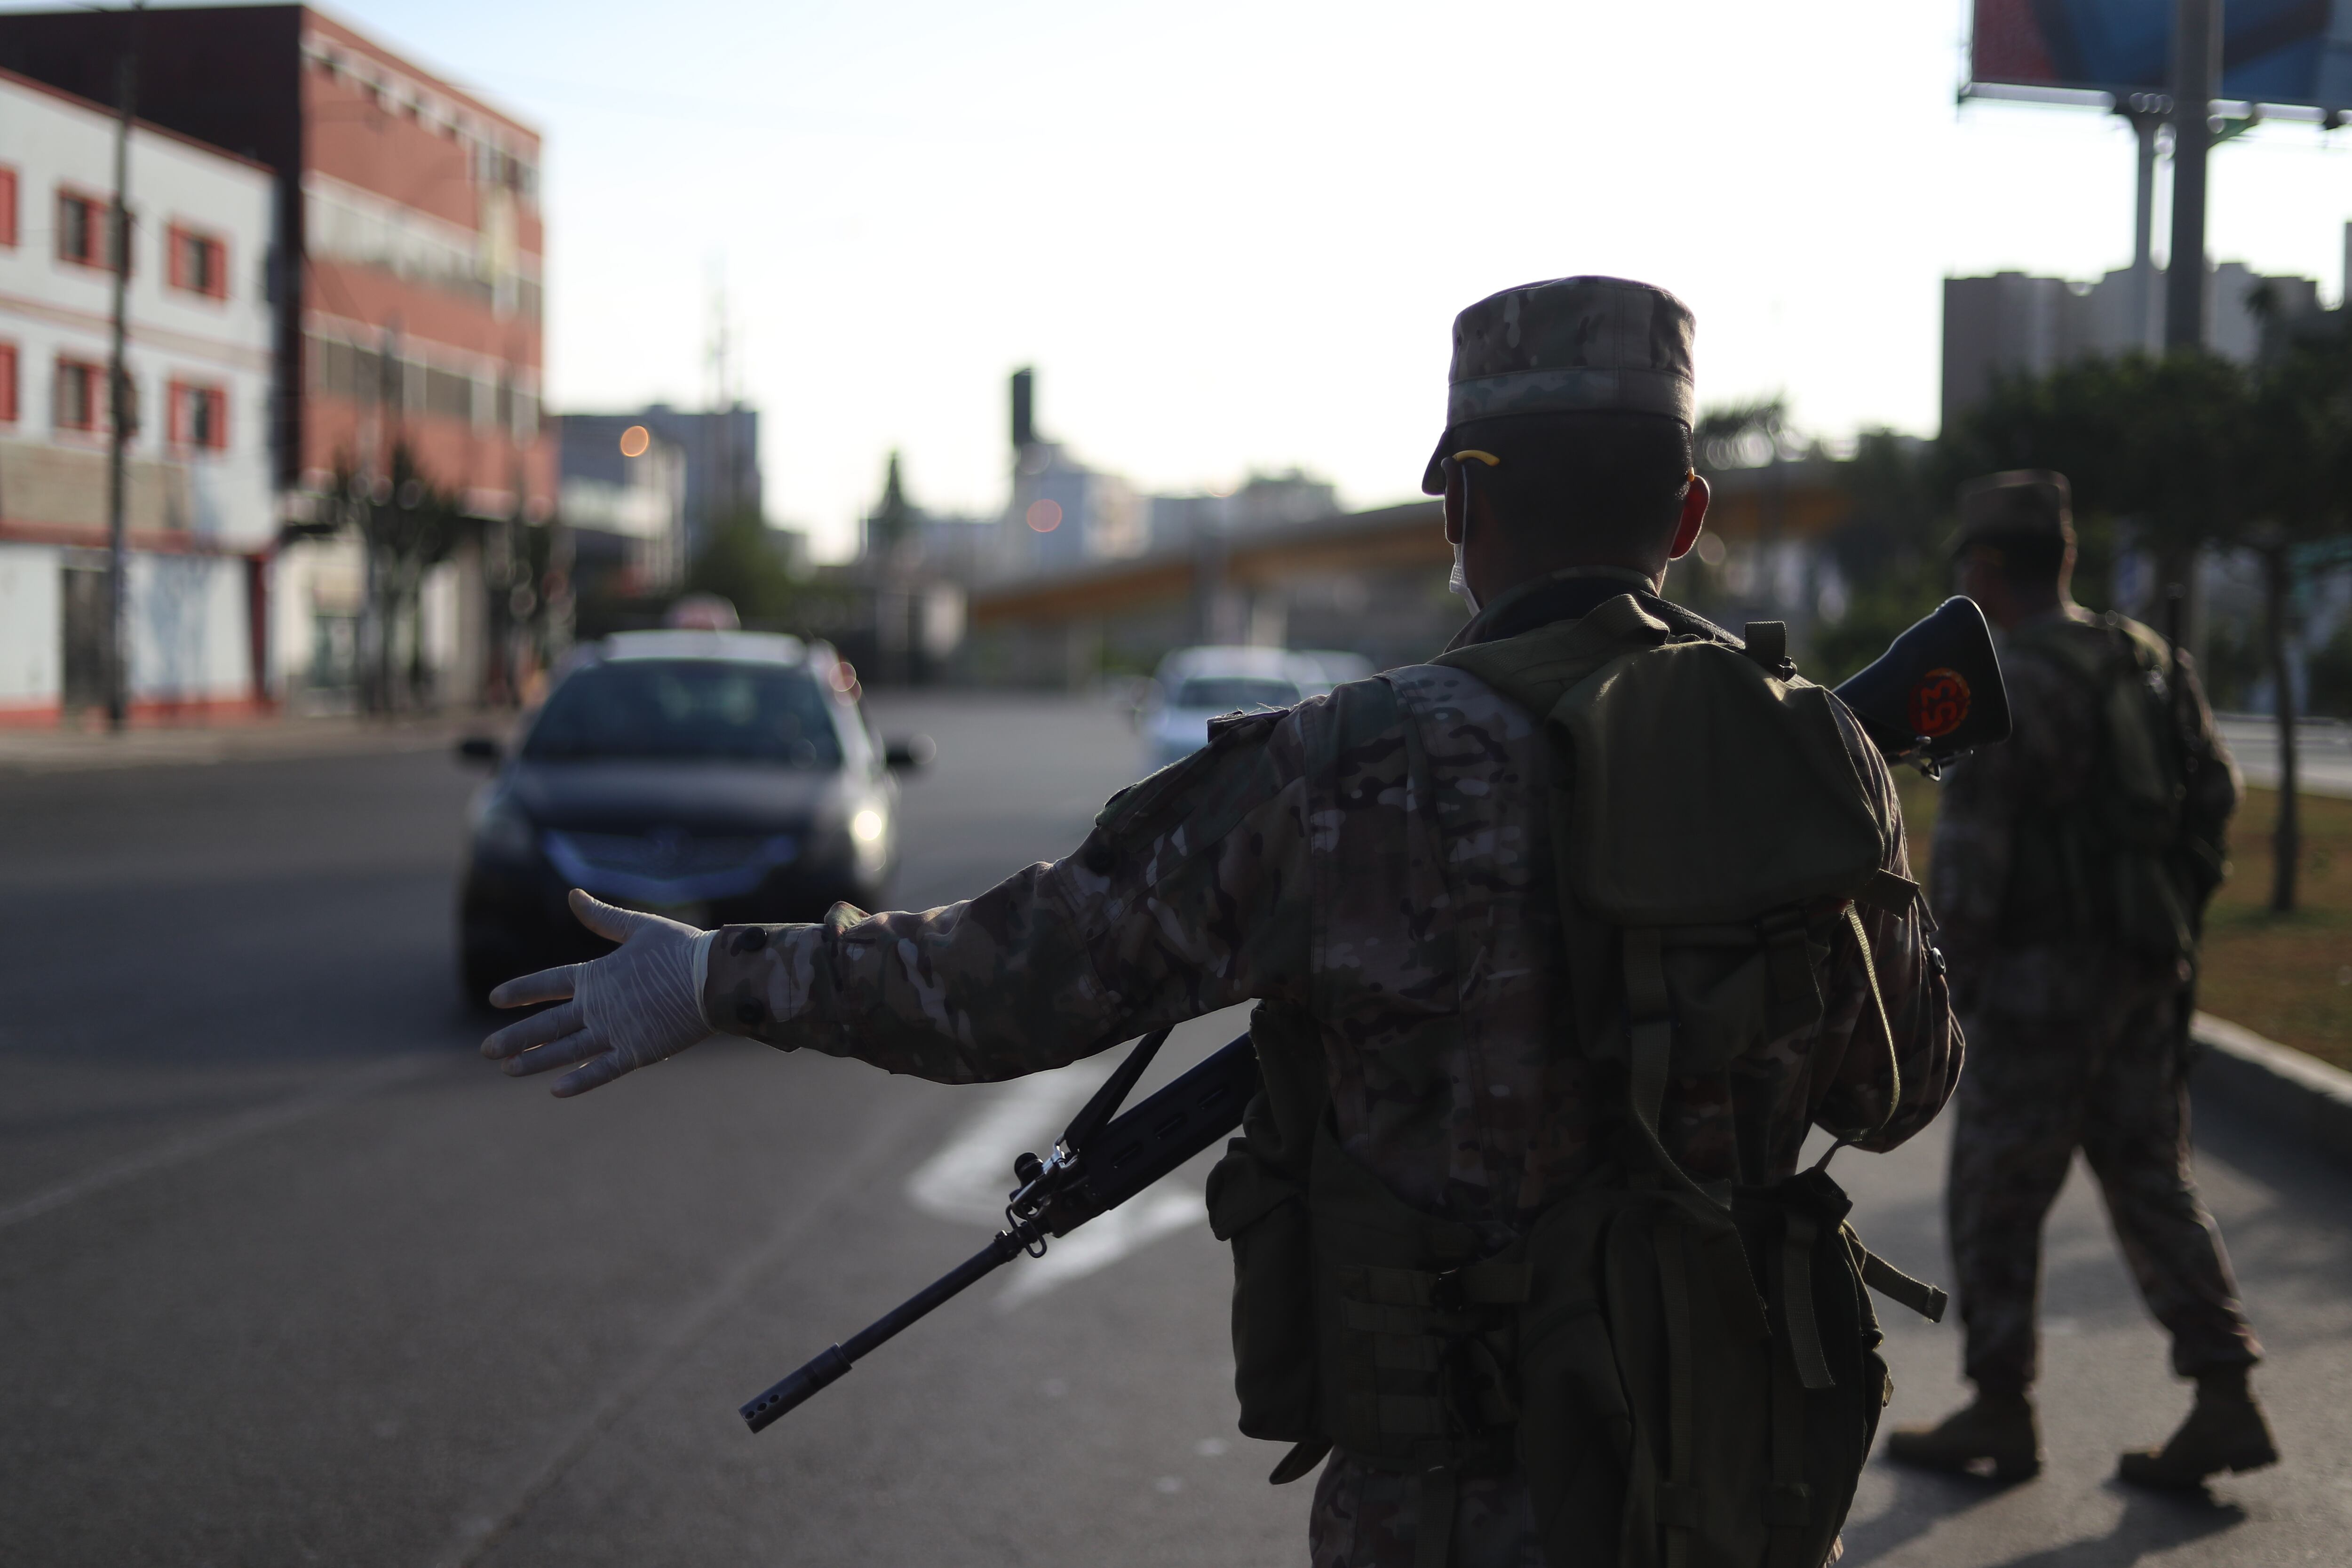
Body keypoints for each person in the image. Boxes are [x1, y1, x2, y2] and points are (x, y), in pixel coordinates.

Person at [482, 277, 1960, 1566]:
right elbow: (1902, 1087)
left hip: (1454, 1503)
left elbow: (1006, 987)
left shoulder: (1343, 770)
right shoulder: (1823, 758)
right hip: (1735, 1481)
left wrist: (717, 977)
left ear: (1463, 506)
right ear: (1689, 514)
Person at [1885, 470, 2274, 1489]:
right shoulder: (2143, 657)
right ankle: (2225, 1385)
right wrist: (2169, 914)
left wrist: (1941, 991)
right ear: (2061, 557)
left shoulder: (2006, 679)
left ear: (1981, 569)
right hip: (2145, 966)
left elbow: (1972, 858)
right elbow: (2216, 792)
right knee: (2150, 1172)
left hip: (2035, 985)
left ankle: (2000, 1404)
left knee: (1994, 1194)